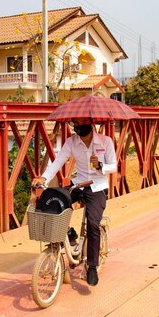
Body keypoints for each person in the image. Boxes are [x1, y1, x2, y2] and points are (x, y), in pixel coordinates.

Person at [31, 117, 117, 286]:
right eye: (75, 124)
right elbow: (58, 161)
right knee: (55, 203)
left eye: (81, 123)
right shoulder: (72, 142)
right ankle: (69, 233)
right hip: (79, 183)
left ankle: (92, 266)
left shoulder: (105, 142)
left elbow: (113, 166)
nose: (78, 127)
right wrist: (44, 178)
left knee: (93, 224)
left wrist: (100, 166)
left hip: (97, 186)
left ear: (91, 124)